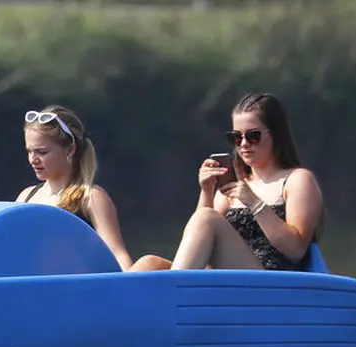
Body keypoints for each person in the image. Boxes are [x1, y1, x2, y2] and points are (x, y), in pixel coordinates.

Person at [130, 92, 324, 271]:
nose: (244, 144)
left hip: (271, 282)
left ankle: (179, 291)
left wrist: (254, 203)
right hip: (229, 277)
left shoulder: (297, 180)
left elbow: (295, 250)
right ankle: (118, 306)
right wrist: (206, 191)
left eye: (253, 136)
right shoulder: (233, 187)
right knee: (149, 265)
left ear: (275, 133)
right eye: (237, 137)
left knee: (208, 218)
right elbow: (200, 241)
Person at [16, 105, 132, 270]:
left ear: (70, 149)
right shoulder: (25, 197)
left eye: (42, 152)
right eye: (29, 151)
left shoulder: (90, 197)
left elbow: (117, 255)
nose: (33, 160)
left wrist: (131, 288)